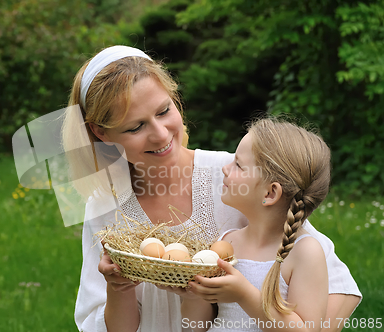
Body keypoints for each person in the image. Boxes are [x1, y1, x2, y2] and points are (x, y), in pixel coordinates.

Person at [65, 45, 361, 332]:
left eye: (164, 110)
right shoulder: (106, 205)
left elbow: (338, 286)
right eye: (135, 127)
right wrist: (118, 288)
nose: (160, 134)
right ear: (100, 133)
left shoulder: (237, 176)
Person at [182, 118, 339, 332]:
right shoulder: (227, 242)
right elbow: (194, 328)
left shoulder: (305, 252)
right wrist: (194, 295)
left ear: (270, 193)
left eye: (238, 164)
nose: (226, 169)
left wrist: (244, 295)